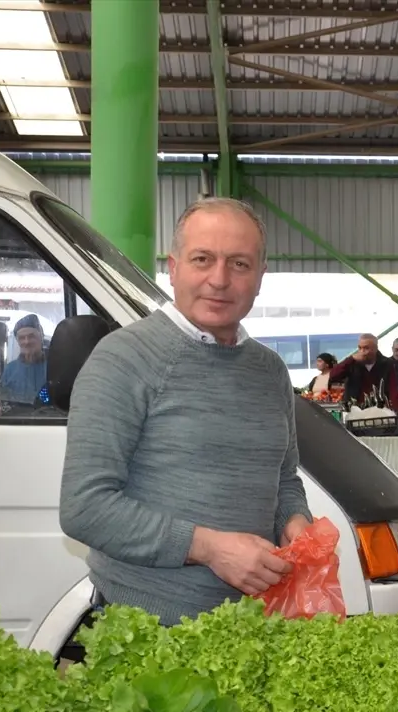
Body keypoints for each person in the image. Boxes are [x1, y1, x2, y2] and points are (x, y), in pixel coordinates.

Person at [59, 197, 312, 624]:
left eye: (239, 264)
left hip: (252, 622)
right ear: (174, 268)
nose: (219, 279)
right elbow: (84, 507)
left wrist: (296, 521)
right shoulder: (123, 358)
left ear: (260, 277)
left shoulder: (269, 371)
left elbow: (284, 478)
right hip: (148, 625)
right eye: (202, 259)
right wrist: (210, 549)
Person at [329, 333, 398, 409]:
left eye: (366, 348)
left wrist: (397, 411)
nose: (362, 351)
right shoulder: (352, 363)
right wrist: (350, 359)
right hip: (353, 408)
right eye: (360, 348)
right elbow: (333, 376)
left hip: (378, 409)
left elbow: (393, 389)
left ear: (375, 348)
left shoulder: (387, 364)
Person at [0, 314, 48, 405]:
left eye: (31, 336)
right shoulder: (10, 370)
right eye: (22, 338)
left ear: (41, 337)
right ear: (17, 341)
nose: (27, 342)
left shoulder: (54, 367)